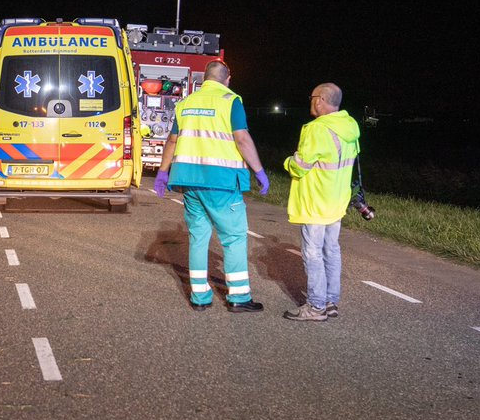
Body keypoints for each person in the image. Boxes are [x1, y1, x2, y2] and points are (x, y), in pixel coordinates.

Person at [154, 61, 270, 313]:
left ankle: (199, 296)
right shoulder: (230, 101)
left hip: (189, 182)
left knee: (198, 237)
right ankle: (239, 297)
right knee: (234, 237)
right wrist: (259, 171)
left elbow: (172, 141)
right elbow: (242, 138)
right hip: (222, 182)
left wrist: (163, 173)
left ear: (204, 78)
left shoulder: (185, 104)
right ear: (228, 79)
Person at [282, 83, 361, 322]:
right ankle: (330, 302)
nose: (311, 101)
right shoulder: (350, 126)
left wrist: (287, 162)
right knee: (332, 250)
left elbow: (300, 165)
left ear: (320, 100)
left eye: (312, 97)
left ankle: (315, 307)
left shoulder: (316, 130)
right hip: (337, 200)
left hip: (315, 200)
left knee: (312, 253)